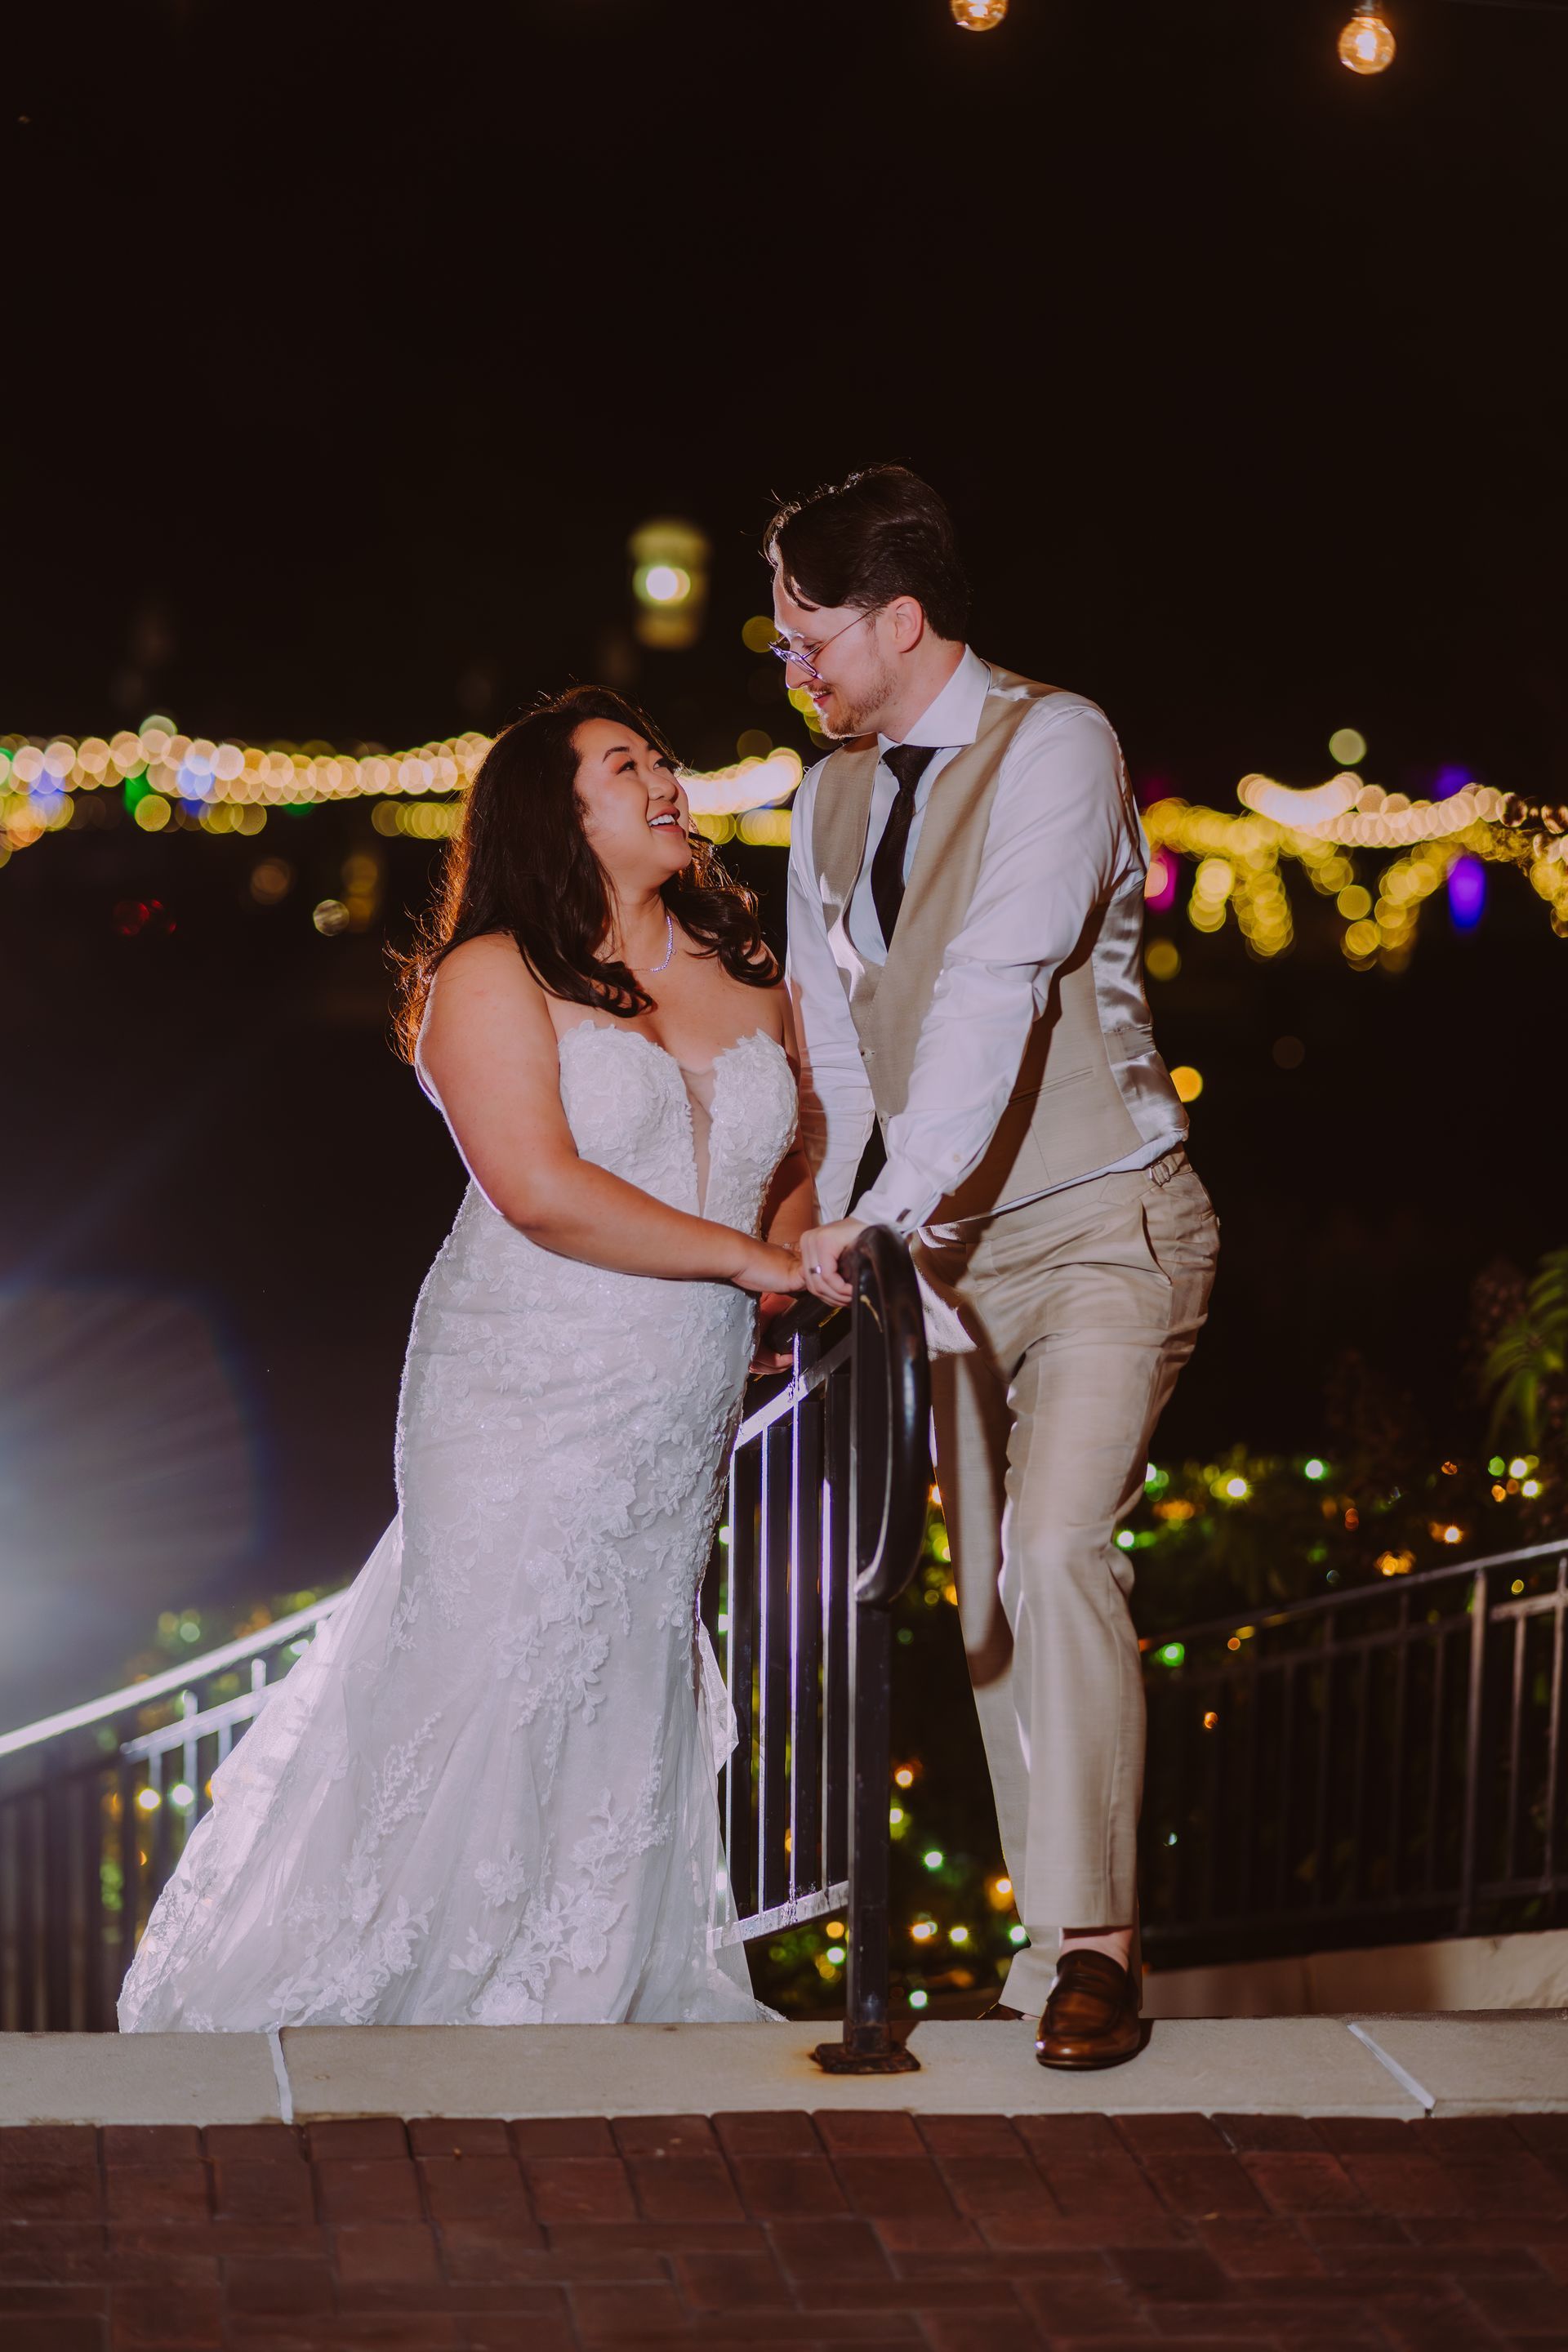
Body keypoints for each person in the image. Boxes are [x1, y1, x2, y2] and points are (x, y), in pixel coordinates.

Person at [118, 686, 808, 2030]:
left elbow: (785, 1171)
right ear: (560, 813)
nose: (665, 778)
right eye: (626, 764)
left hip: (676, 1392)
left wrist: (788, 1261)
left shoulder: (749, 974)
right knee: (495, 1651)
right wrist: (750, 1262)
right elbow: (540, 1188)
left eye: (662, 758)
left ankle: (586, 1972)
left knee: (627, 1651)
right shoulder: (485, 973)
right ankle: (397, 1978)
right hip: (522, 1377)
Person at [775, 467, 1218, 2069]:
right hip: (938, 1263)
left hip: (1107, 1225)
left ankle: (1101, 1951)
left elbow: (993, 990)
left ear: (898, 622)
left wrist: (887, 1208)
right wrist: (838, 1213)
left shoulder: (1060, 743)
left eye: (806, 637)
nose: (791, 669)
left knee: (1050, 1552)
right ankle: (1046, 1952)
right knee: (981, 1617)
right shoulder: (822, 795)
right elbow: (835, 1033)